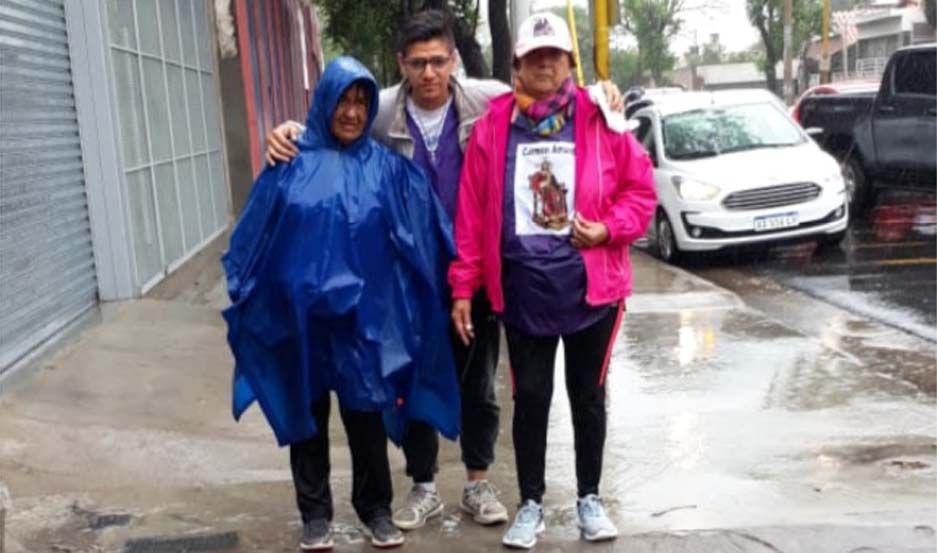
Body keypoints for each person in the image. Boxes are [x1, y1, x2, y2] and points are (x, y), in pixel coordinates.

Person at [264, 10, 625, 533]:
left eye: (438, 61)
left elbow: (550, 93)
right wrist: (290, 130)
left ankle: (477, 482)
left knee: (478, 382)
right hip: (404, 278)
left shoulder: (489, 101)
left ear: (454, 60)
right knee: (409, 381)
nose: (429, 73)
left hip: (473, 269)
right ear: (401, 65)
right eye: (417, 63)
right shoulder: (380, 108)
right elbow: (331, 124)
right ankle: (424, 485)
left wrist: (601, 93)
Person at [223, 56, 461, 550]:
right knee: (306, 417)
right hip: (299, 321)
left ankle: (375, 509)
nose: (352, 113)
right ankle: (315, 516)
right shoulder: (288, 162)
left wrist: (442, 287)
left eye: (361, 102)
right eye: (343, 101)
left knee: (366, 419)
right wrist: (250, 295)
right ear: (325, 101)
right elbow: (253, 235)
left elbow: (424, 230)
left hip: (362, 324)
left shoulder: (387, 170)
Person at [448, 12, 657, 549]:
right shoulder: (493, 126)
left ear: (569, 62)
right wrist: (463, 286)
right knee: (531, 400)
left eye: (555, 55)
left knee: (588, 396)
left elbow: (641, 192)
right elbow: (471, 215)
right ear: (516, 64)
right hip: (523, 295)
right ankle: (532, 504)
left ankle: (590, 498)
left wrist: (609, 229)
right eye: (535, 56)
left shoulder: (600, 116)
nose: (546, 64)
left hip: (593, 291)